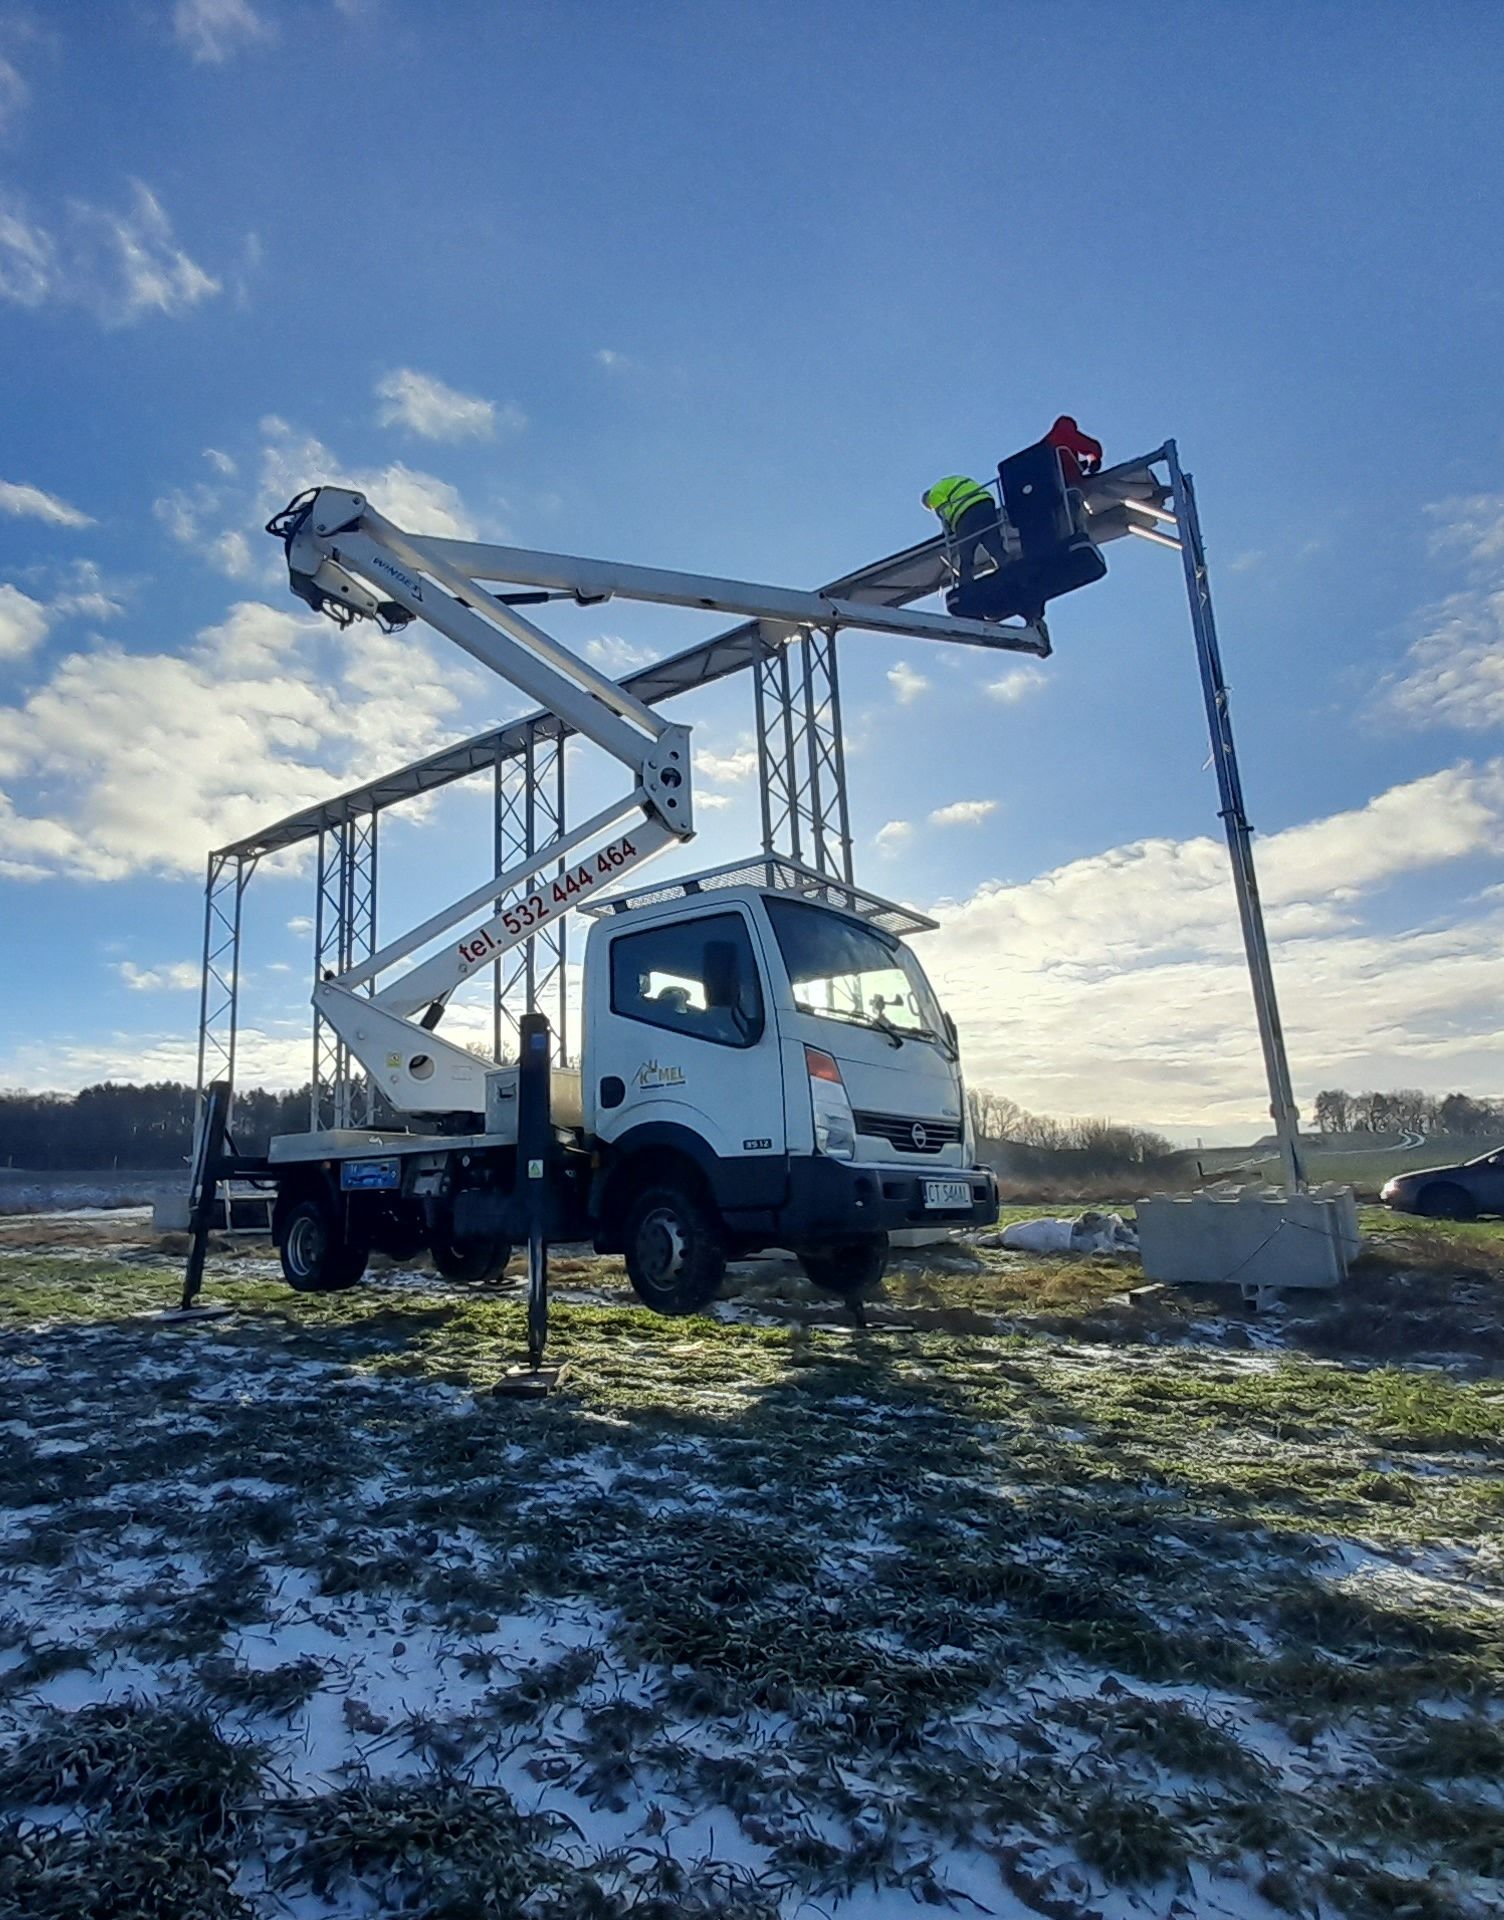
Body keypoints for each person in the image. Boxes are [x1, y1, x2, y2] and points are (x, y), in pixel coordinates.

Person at [921, 475, 1008, 584]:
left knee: (966, 554)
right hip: (985, 503)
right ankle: (1007, 565)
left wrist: (947, 531)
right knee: (993, 544)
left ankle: (965, 583)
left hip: (966, 511)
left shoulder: (933, 495)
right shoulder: (949, 482)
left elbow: (944, 512)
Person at [1043, 415, 1103, 485]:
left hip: (1049, 480)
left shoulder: (1046, 443)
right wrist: (1094, 459)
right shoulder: (1065, 433)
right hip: (1063, 480)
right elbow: (1092, 447)